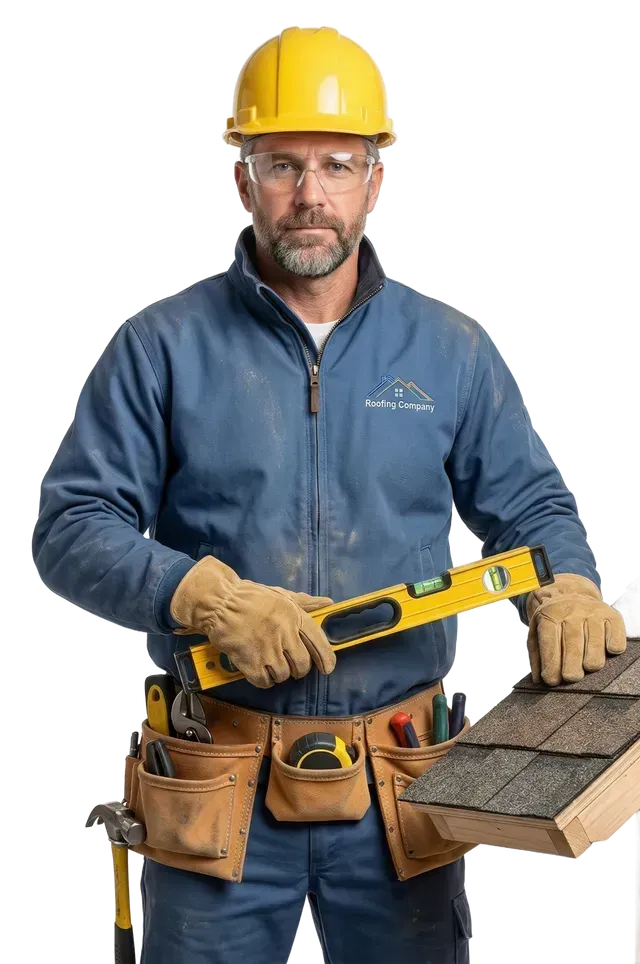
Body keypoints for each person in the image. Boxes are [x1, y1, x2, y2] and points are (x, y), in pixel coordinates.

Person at [31, 24, 626, 964]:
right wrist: (205, 597)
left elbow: (533, 508)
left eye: (338, 164)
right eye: (282, 163)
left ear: (376, 176)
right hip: (218, 780)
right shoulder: (159, 348)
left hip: (403, 786)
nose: (311, 194)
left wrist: (571, 585)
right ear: (242, 177)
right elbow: (71, 528)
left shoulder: (450, 350)